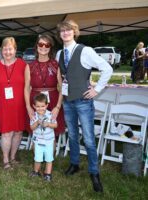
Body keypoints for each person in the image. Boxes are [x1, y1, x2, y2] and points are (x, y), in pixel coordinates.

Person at [56, 20, 112, 193]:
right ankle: (74, 164)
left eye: (68, 30)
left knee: (88, 138)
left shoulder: (85, 50)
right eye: (62, 31)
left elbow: (107, 69)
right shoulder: (59, 54)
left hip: (83, 101)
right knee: (72, 135)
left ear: (74, 32)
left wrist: (96, 89)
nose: (65, 33)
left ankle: (94, 173)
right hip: (67, 100)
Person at [0, 37, 27, 170]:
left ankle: (13, 156)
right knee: (6, 132)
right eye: (5, 49)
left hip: (19, 103)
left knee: (18, 131)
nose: (7, 52)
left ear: (15, 50)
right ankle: (5, 159)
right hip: (2, 104)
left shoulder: (23, 65)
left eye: (10, 49)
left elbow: (28, 85)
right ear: (2, 50)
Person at [24, 34, 65, 142]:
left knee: (51, 132)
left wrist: (58, 107)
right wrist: (28, 107)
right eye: (41, 44)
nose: (44, 47)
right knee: (36, 132)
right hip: (36, 102)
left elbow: (62, 87)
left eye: (47, 45)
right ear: (37, 46)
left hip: (53, 101)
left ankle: (49, 158)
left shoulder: (55, 65)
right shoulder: (29, 66)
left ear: (50, 47)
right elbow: (26, 88)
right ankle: (37, 157)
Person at [29, 93, 57, 182]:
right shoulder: (34, 116)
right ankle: (36, 171)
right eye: (38, 106)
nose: (40, 108)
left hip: (49, 141)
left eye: (42, 106)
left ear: (47, 105)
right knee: (37, 158)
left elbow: (55, 125)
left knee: (49, 158)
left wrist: (48, 124)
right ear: (34, 106)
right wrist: (37, 123)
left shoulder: (50, 115)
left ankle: (47, 173)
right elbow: (31, 128)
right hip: (38, 142)